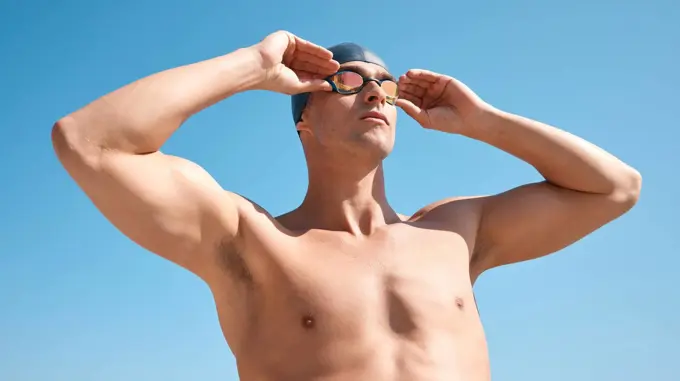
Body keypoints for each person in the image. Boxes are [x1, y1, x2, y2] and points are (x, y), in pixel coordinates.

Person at [51, 30, 642, 380]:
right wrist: (252, 66)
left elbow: (615, 187)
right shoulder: (250, 239)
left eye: (383, 84)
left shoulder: (456, 231)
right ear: (303, 119)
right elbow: (89, 141)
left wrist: (485, 122)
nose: (375, 93)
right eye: (349, 81)